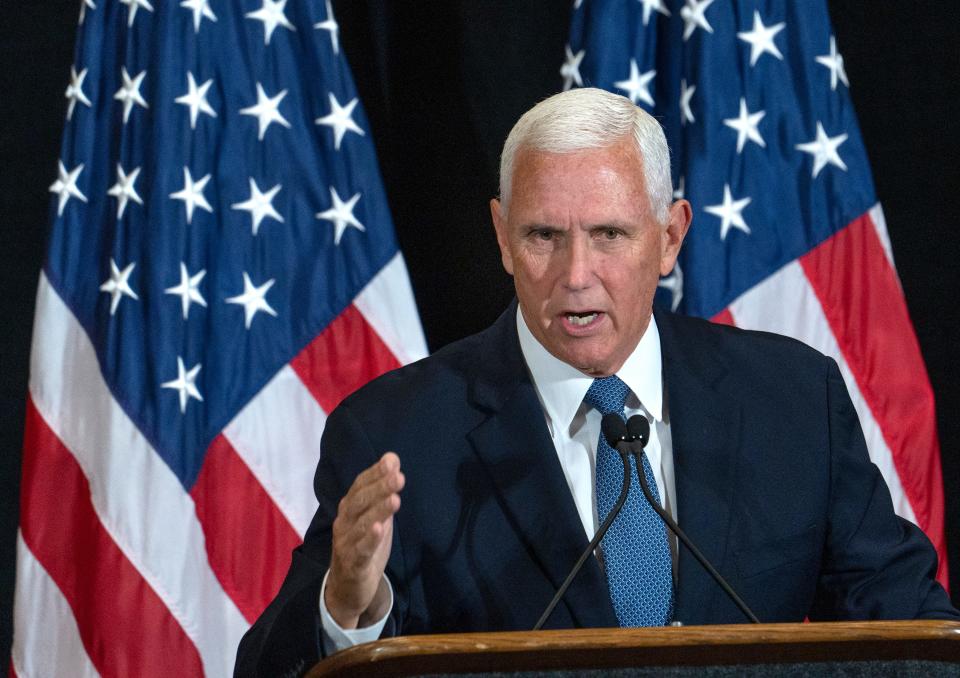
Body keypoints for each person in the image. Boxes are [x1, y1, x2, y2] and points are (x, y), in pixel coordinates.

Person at [235, 88, 958, 676]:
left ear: (670, 237)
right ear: (500, 237)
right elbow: (267, 670)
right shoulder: (399, 432)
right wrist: (346, 607)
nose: (575, 275)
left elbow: (916, 635)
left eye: (610, 235)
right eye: (543, 236)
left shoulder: (793, 401)